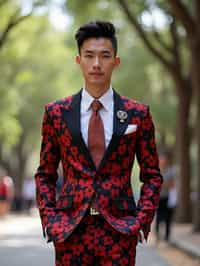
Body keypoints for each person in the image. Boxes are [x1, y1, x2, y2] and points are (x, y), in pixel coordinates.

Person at [35, 21, 163, 266]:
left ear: (116, 61)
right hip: (70, 230)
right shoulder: (56, 113)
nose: (96, 63)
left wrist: (140, 220)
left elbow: (152, 175)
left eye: (104, 56)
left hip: (119, 231)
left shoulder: (137, 114)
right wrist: (51, 220)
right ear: (78, 60)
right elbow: (45, 174)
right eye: (89, 55)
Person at [155, 150, 177, 242]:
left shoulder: (170, 171)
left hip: (167, 197)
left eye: (164, 159)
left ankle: (167, 236)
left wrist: (163, 184)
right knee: (158, 217)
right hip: (158, 198)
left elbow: (172, 184)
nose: (162, 161)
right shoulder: (156, 171)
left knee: (168, 217)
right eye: (161, 159)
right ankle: (157, 234)